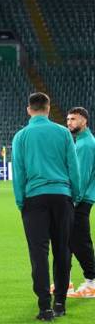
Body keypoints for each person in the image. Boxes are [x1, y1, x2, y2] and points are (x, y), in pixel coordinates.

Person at [12, 92, 80, 321]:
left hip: (34, 199)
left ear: (29, 109)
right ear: (48, 109)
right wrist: (74, 196)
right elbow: (74, 168)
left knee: (38, 254)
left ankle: (45, 307)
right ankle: (60, 301)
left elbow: (18, 174)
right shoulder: (63, 133)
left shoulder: (21, 137)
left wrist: (21, 202)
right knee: (63, 250)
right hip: (62, 197)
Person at [65, 107, 95, 298]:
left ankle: (91, 282)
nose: (69, 122)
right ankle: (65, 281)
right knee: (70, 240)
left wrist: (73, 201)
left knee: (79, 240)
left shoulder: (85, 145)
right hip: (82, 198)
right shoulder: (83, 142)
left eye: (73, 119)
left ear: (84, 121)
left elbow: (82, 177)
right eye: (68, 119)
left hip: (80, 200)